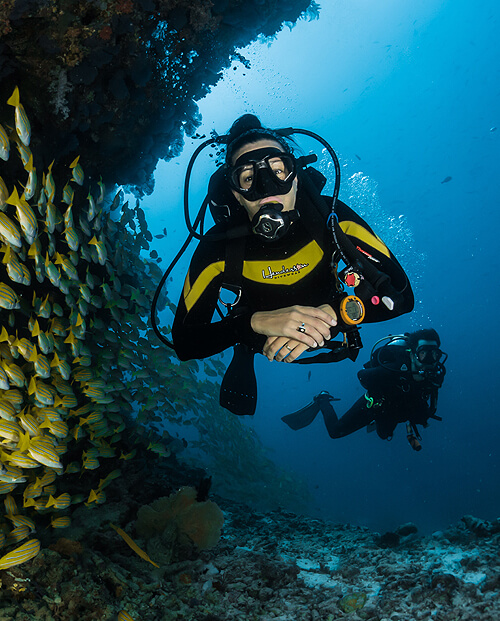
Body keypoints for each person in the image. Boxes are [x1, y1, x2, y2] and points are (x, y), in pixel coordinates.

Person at [171, 114, 414, 414]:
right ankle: (245, 349)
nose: (266, 187)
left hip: (331, 318)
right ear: (236, 193)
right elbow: (185, 342)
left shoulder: (332, 218)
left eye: (278, 170)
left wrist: (338, 313)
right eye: (248, 178)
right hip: (256, 335)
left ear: (296, 177)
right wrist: (252, 324)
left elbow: (402, 296)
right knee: (245, 341)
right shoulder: (218, 247)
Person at [281, 329, 447, 451]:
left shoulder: (435, 376)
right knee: (335, 431)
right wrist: (387, 386)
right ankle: (322, 400)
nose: (430, 360)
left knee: (384, 435)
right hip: (375, 405)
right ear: (412, 353)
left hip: (398, 410)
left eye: (434, 354)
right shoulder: (395, 367)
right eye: (424, 353)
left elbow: (430, 404)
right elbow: (362, 375)